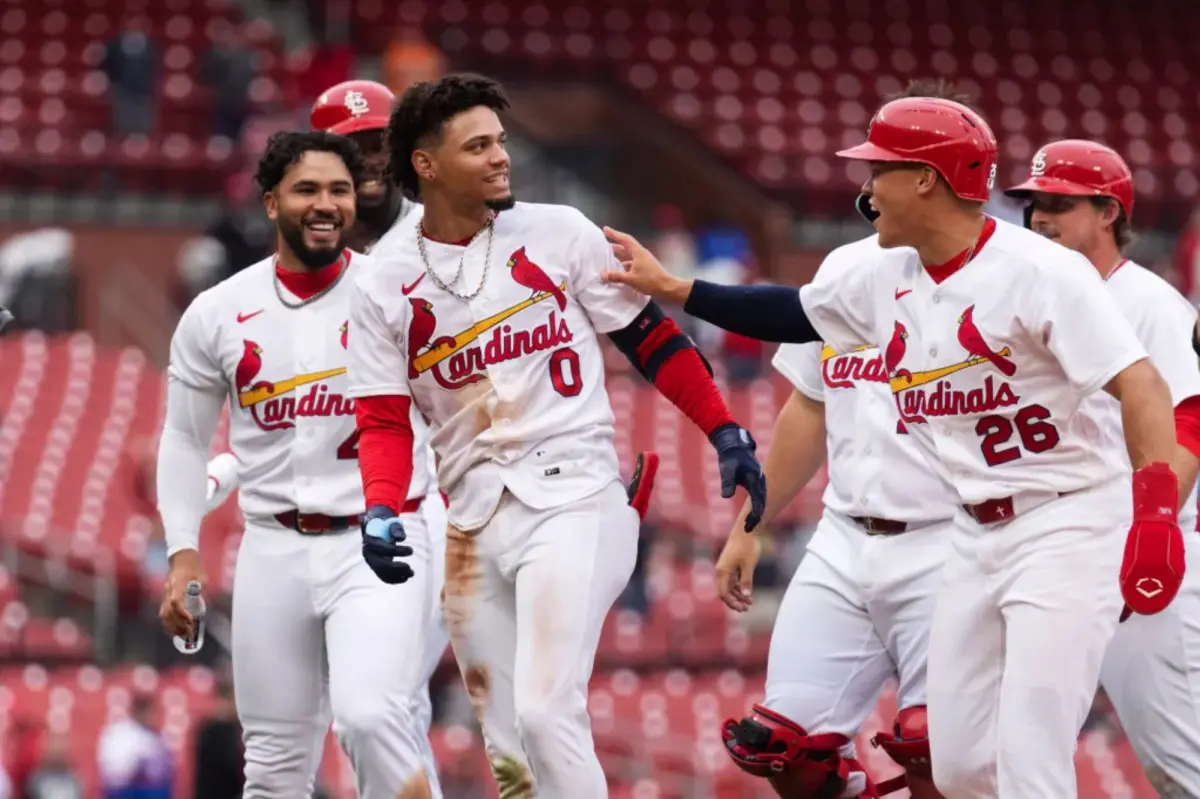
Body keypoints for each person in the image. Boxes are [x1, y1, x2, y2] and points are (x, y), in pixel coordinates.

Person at [600, 95, 1184, 799]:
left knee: (1030, 758)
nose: (866, 187)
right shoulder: (877, 272)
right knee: (963, 764)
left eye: (879, 169)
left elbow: (1143, 387)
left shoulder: (1041, 272)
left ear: (926, 179)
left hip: (1067, 520)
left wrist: (1151, 515)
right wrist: (676, 289)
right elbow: (789, 311)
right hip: (975, 528)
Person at [343, 73, 765, 798]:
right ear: (425, 163)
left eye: (500, 141)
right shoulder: (383, 279)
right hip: (472, 519)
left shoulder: (559, 230)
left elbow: (651, 339)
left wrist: (722, 426)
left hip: (576, 492)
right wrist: (381, 503)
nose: (501, 156)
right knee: (510, 756)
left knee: (543, 711)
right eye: (479, 146)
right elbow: (381, 418)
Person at [156, 130, 437, 799]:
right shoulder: (218, 312)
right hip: (273, 547)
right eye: (307, 189)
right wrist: (183, 551)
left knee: (371, 715)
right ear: (271, 201)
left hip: (381, 539)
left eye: (339, 189)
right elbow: (185, 441)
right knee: (274, 766)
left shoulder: (397, 292)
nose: (326, 203)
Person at [1005, 138, 1200, 796]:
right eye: (1033, 205)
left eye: (1059, 203)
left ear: (1109, 211)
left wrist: (1149, 532)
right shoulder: (1033, 300)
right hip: (1068, 547)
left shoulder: (1148, 302)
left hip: (1146, 552)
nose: (1040, 218)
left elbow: (1190, 427)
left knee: (1179, 759)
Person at [310, 78, 449, 787]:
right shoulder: (306, 267)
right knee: (385, 710)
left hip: (438, 506)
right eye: (349, 147)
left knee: (377, 709)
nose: (367, 161)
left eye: (377, 144)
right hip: (356, 516)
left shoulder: (434, 244)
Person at [310, 80, 419, 254]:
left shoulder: (438, 234)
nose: (367, 162)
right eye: (352, 150)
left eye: (378, 147)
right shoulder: (307, 244)